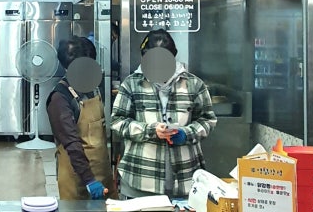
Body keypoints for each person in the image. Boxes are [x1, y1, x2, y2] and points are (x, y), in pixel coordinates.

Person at [110, 28, 216, 200]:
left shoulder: (194, 84)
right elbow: (117, 121)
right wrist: (150, 130)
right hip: (140, 177)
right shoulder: (132, 84)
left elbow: (207, 120)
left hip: (185, 178)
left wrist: (186, 134)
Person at [46, 36, 111, 200]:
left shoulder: (94, 89)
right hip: (77, 178)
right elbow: (71, 142)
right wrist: (89, 180)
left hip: (103, 173)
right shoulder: (59, 98)